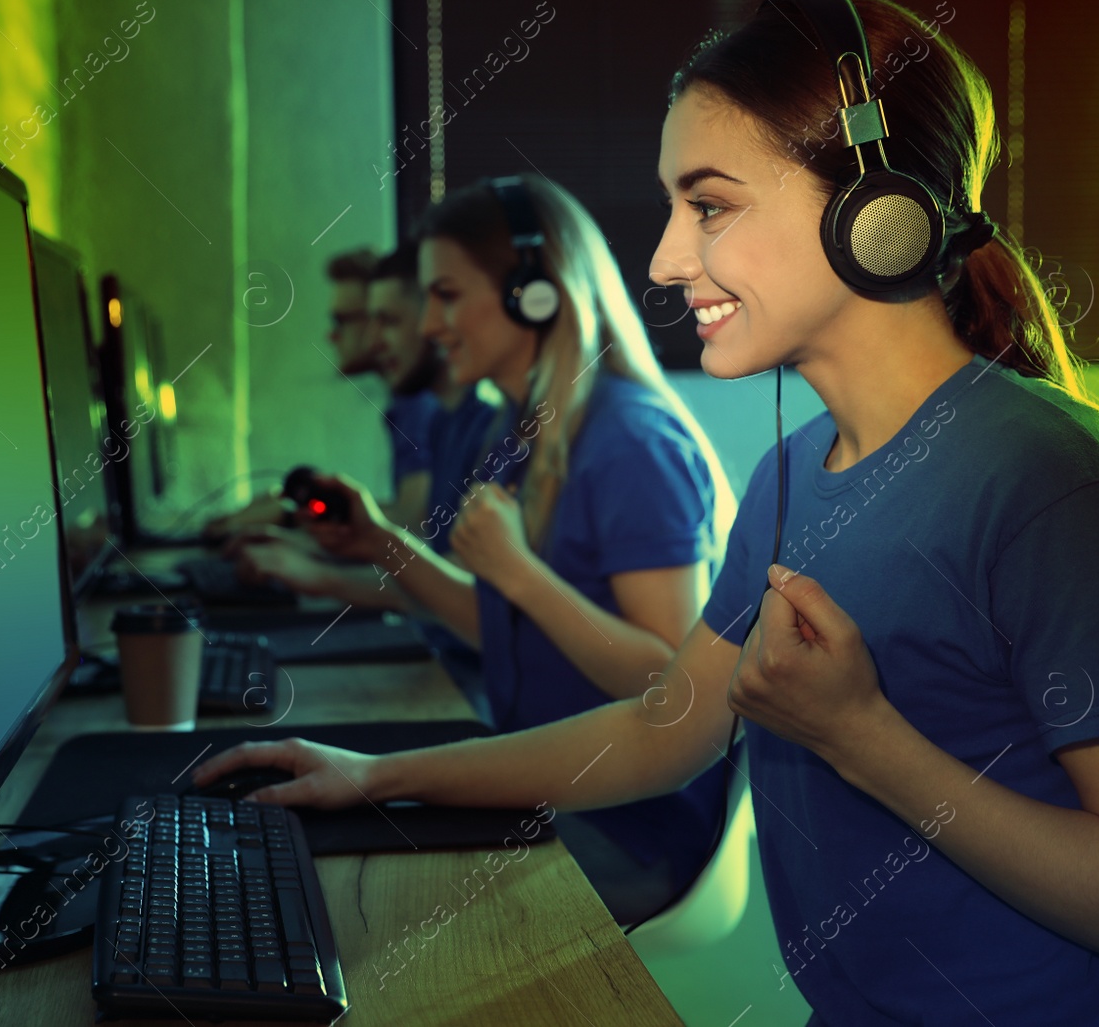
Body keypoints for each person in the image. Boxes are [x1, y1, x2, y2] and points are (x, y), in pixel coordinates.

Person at [195, 0, 1099, 1021]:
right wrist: (375, 775)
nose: (660, 259)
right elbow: (666, 723)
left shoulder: (1051, 482)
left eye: (710, 205)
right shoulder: (791, 473)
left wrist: (863, 735)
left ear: (872, 214)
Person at [228, 173, 735, 927]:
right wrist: (378, 541)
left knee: (362, 908)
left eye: (446, 295)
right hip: (550, 783)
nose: (428, 324)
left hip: (631, 830)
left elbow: (672, 686)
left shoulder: (630, 440)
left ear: (534, 290)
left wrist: (521, 575)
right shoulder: (524, 434)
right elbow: (495, 627)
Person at [236, 243, 502, 701]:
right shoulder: (443, 419)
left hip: (468, 682)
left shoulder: (463, 421)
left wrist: (320, 568)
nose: (373, 340)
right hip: (445, 657)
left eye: (388, 321)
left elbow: (421, 534)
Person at [206, 247, 438, 536]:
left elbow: (413, 526)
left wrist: (289, 517)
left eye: (341, 321)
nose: (331, 335)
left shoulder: (418, 402)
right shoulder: (403, 402)